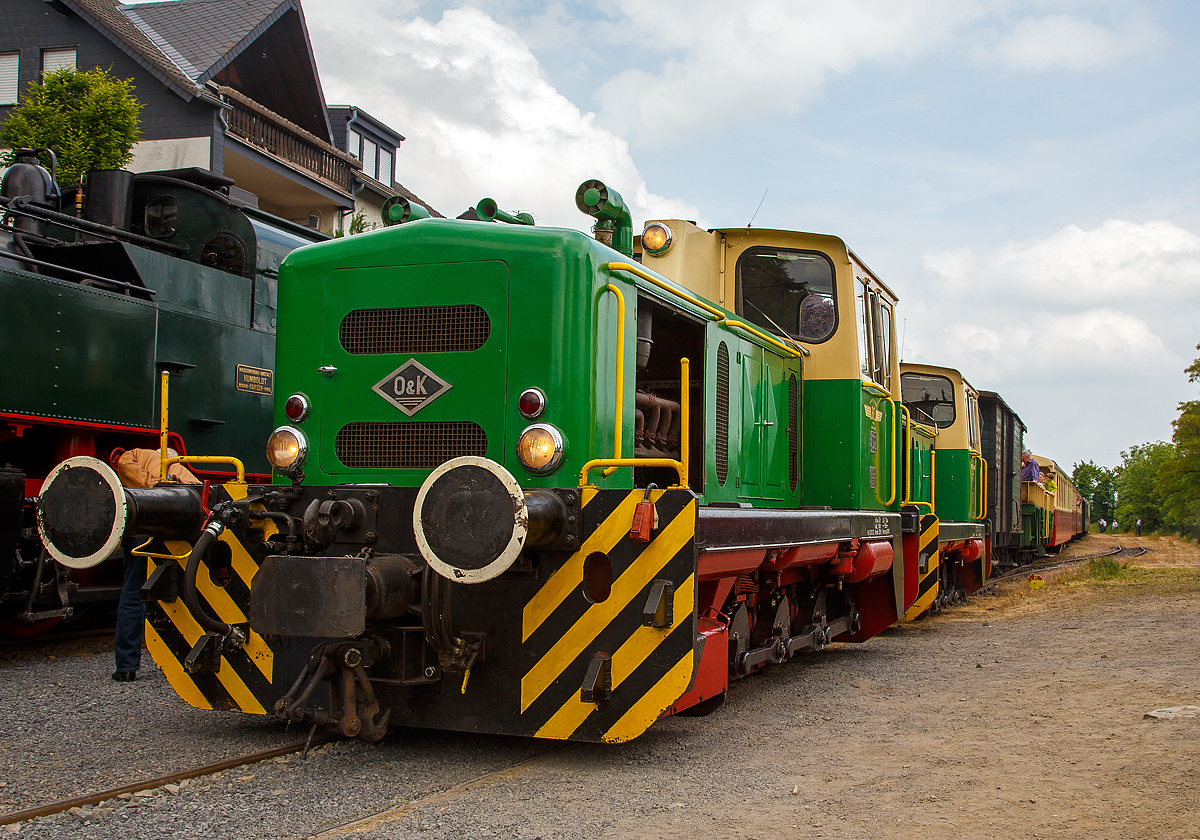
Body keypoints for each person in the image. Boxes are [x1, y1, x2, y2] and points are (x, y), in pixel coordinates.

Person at [111, 448, 200, 681]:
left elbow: (125, 467)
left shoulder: (134, 454)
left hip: (145, 522)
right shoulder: (184, 471)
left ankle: (126, 667)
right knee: (183, 592)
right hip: (179, 529)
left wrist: (157, 489)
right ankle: (188, 660)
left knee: (134, 590)